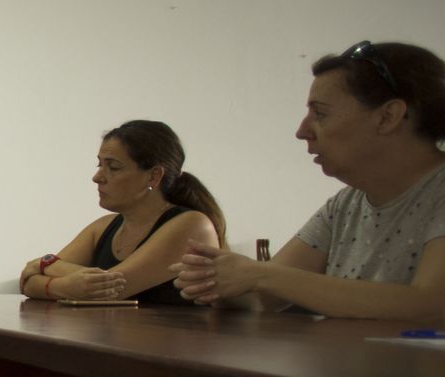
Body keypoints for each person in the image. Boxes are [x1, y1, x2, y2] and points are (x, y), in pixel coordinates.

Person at [174, 41, 445, 320]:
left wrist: (259, 275)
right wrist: (214, 282)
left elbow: (433, 303)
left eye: (320, 114)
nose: (302, 131)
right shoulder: (345, 204)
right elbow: (264, 297)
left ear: (388, 117)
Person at [19, 120, 225, 304]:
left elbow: (111, 289)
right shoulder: (102, 227)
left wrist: (44, 264)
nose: (97, 177)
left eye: (113, 167)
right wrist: (66, 286)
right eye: (99, 164)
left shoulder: (192, 224)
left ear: (154, 176)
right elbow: (27, 282)